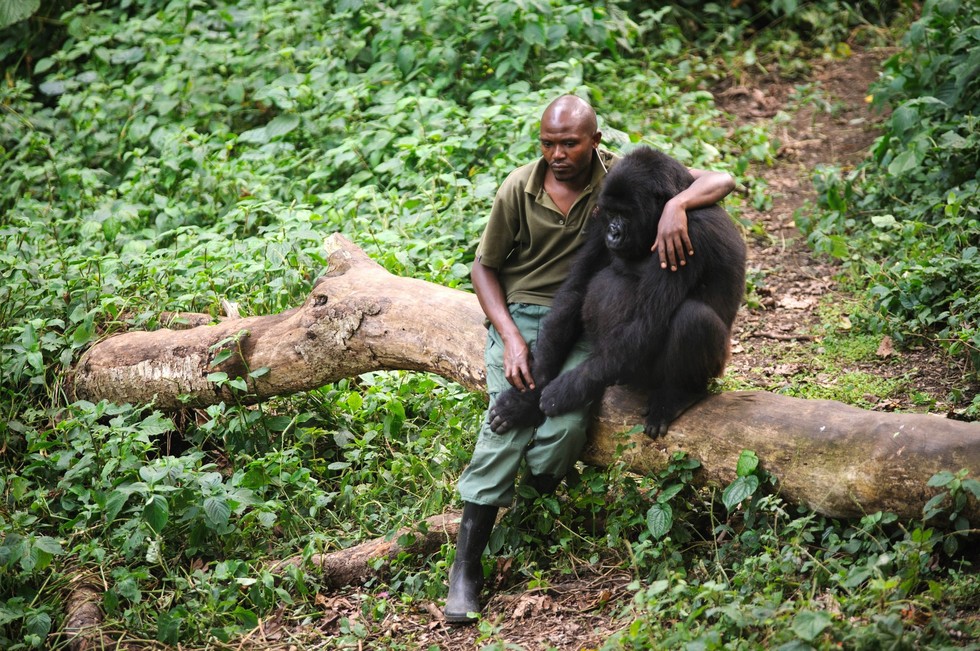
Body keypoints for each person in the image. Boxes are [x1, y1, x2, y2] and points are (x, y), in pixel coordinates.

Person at [443, 95, 735, 624]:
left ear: (593, 143)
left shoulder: (674, 224)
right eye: (548, 143)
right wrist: (529, 373)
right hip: (536, 319)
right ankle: (466, 564)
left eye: (569, 142)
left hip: (680, 347)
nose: (615, 229)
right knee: (510, 420)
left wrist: (549, 398)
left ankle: (679, 394)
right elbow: (573, 294)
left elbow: (644, 333)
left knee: (679, 330)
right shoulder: (595, 195)